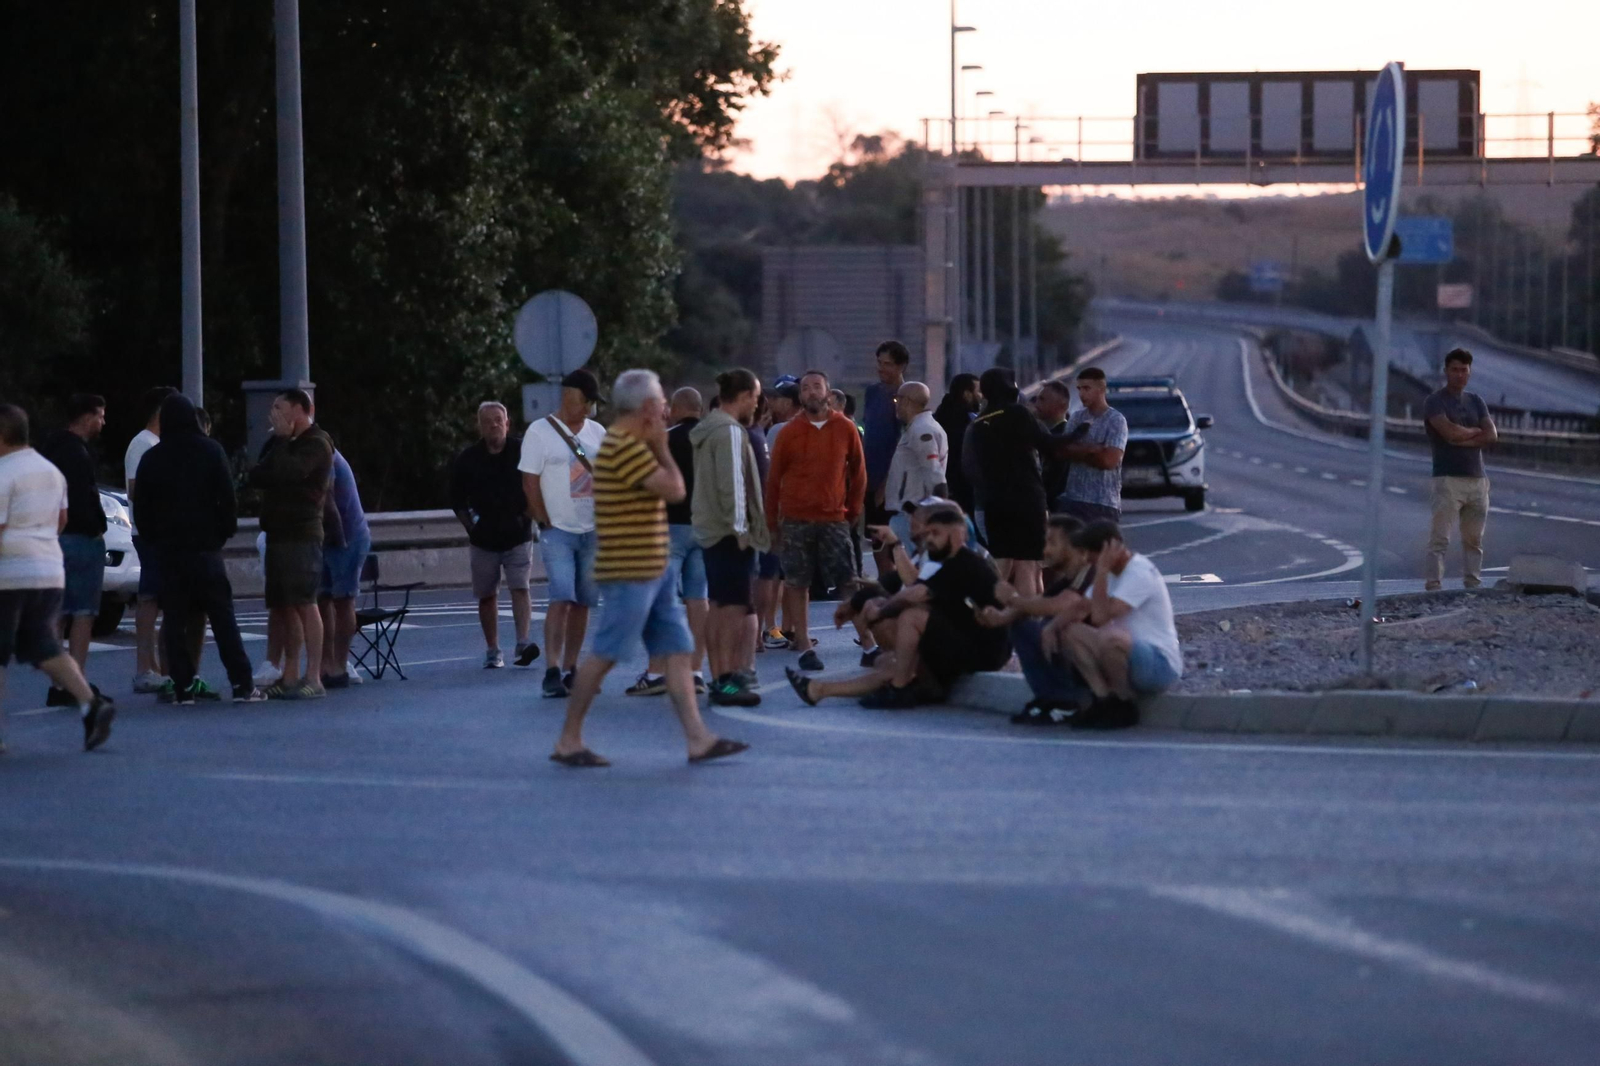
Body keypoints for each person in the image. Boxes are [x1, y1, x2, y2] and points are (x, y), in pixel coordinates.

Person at [548, 370, 749, 768]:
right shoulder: (625, 447)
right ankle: (568, 739)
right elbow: (675, 489)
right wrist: (662, 446)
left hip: (653, 569)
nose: (665, 408)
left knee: (677, 651)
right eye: (660, 401)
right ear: (646, 408)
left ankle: (697, 739)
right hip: (631, 570)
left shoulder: (625, 442)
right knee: (604, 655)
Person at [785, 507, 1009, 709]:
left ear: (958, 535)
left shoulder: (965, 562)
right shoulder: (944, 561)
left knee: (911, 617)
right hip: (962, 638)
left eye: (936, 534)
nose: (929, 539)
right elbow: (896, 582)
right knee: (887, 659)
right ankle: (819, 690)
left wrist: (882, 610)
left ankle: (899, 689)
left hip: (984, 650)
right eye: (928, 533)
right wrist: (856, 603)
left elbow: (917, 592)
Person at [133, 394, 264, 705]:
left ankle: (182, 685)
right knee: (222, 618)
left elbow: (142, 508)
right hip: (206, 550)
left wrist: (155, 540)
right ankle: (242, 683)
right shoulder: (210, 450)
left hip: (169, 552)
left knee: (175, 621)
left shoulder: (152, 458)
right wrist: (222, 533)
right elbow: (227, 498)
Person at [0, 404, 117, 753]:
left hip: (10, 573)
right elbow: (62, 520)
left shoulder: (4, 473)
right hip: (49, 570)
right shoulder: (50, 471)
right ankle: (90, 703)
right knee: (43, 646)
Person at [765, 369, 867, 672]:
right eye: (806, 388)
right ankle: (804, 645)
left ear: (828, 392)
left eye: (816, 386)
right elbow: (774, 481)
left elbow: (858, 474)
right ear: (800, 396)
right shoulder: (789, 432)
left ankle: (868, 642)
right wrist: (773, 524)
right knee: (797, 582)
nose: (811, 391)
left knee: (848, 581)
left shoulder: (845, 428)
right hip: (795, 519)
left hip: (834, 517)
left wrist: (852, 511)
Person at [521, 369, 606, 698]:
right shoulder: (539, 433)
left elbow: (601, 473)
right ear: (572, 398)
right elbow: (529, 482)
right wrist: (543, 521)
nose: (590, 409)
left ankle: (572, 667)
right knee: (561, 596)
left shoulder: (597, 433)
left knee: (584, 601)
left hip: (592, 530)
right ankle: (552, 669)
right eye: (587, 401)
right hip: (558, 531)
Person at [247, 389, 334, 700]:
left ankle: (314, 676)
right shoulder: (283, 444)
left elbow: (290, 473)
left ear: (299, 410)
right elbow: (258, 475)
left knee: (304, 602)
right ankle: (290, 672)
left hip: (302, 534)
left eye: (279, 406)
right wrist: (280, 443)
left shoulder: (316, 443)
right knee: (284, 605)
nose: (273, 413)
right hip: (278, 534)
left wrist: (283, 442)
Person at [691, 369, 767, 707]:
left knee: (720, 607)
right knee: (734, 610)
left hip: (710, 531)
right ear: (744, 395)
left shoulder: (708, 428)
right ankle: (727, 683)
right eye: (755, 396)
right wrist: (742, 532)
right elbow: (732, 487)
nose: (757, 403)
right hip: (729, 533)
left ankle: (721, 679)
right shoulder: (731, 432)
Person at [975, 514, 1096, 725]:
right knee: (1023, 627)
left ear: (1074, 547)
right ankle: (1049, 697)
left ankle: (1066, 701)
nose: (1046, 550)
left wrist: (1013, 598)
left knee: (1055, 629)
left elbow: (1060, 605)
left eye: (1052, 543)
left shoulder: (1089, 573)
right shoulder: (1068, 578)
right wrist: (999, 617)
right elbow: (1037, 602)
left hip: (1106, 658)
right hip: (1087, 656)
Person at [1061, 520, 1182, 730]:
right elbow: (1082, 607)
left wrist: (1100, 573)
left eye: (1093, 554)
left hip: (1158, 664)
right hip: (1129, 657)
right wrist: (1051, 628)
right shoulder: (1110, 573)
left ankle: (1124, 703)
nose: (1090, 561)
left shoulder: (1139, 572)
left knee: (1111, 636)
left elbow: (1100, 618)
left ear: (1111, 549)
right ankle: (1104, 700)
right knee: (1072, 632)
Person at [628, 388, 710, 697]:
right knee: (698, 599)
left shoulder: (666, 439)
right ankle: (696, 670)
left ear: (674, 409)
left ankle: (656, 672)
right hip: (704, 527)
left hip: (668, 528)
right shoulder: (709, 437)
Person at [451, 401, 539, 669]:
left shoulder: (522, 451)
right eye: (488, 420)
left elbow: (537, 483)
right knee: (487, 594)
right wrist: (471, 527)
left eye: (499, 420)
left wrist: (528, 516)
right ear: (479, 425)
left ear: (507, 423)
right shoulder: (468, 459)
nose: (494, 425)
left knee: (520, 587)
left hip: (518, 535)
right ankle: (493, 649)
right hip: (484, 539)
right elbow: (456, 497)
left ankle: (523, 642)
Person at [38, 393, 107, 706]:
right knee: (83, 612)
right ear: (87, 416)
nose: (103, 423)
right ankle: (76, 682)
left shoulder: (50, 447)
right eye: (100, 416)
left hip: (53, 539)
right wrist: (96, 527)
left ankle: (58, 683)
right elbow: (81, 500)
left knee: (59, 612)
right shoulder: (77, 454)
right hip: (80, 538)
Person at [963, 367, 1057, 598]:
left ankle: (984, 610)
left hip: (994, 501)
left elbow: (969, 466)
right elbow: (1049, 444)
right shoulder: (1018, 414)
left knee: (1001, 562)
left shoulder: (979, 423)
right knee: (1029, 564)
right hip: (1027, 499)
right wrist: (1079, 435)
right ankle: (1030, 620)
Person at [1422, 348, 1498, 591]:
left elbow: (1492, 435)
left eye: (1463, 370)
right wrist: (1474, 432)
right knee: (1440, 537)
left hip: (1477, 479)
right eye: (1454, 370)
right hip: (1447, 478)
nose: (1459, 375)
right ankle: (1434, 584)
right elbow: (1448, 433)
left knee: (1474, 539)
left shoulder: (1476, 401)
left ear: (1469, 372)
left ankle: (1473, 583)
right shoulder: (1435, 401)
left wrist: (1464, 436)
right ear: (1446, 371)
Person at [126, 385, 177, 693]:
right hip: (148, 532)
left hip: (159, 531)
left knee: (158, 597)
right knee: (149, 597)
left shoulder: (156, 443)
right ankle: (144, 666)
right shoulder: (142, 444)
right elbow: (134, 487)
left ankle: (156, 665)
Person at [318, 448, 370, 688]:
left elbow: (327, 500)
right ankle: (324, 665)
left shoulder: (320, 449)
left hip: (346, 534)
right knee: (321, 598)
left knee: (343, 599)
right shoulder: (298, 450)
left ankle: (340, 665)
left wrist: (338, 539)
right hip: (324, 536)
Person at [758, 378, 800, 651]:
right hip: (800, 509)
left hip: (779, 508)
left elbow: (771, 474)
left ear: (788, 402)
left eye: (777, 399)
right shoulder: (810, 428)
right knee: (791, 573)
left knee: (773, 572)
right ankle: (789, 628)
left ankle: (769, 627)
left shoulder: (779, 430)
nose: (772, 403)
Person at [1057, 367, 1128, 523]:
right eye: (1079, 389)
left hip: (1103, 503)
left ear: (1101, 389)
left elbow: (1109, 460)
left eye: (1087, 388)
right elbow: (1062, 451)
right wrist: (1093, 449)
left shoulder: (1116, 420)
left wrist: (1078, 451)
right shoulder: (1076, 418)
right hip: (1073, 500)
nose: (1082, 394)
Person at [883, 382, 948, 550]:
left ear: (907, 401)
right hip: (911, 511)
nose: (896, 405)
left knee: (914, 568)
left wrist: (934, 511)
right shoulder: (917, 428)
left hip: (912, 513)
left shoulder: (922, 430)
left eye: (897, 400)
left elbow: (933, 472)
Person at [863, 341, 910, 575]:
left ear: (901, 366)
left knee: (893, 544)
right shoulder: (872, 392)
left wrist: (885, 484)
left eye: (888, 364)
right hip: (868, 478)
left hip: (891, 484)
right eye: (879, 363)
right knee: (876, 542)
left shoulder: (905, 397)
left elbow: (901, 444)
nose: (882, 369)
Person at [934, 373, 981, 515]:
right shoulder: (967, 424)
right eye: (978, 391)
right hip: (962, 493)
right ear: (967, 394)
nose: (981, 396)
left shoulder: (939, 416)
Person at [1033, 380, 1074, 508]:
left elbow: (1054, 480)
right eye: (1038, 399)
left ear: (1062, 406)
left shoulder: (1063, 437)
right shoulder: (1045, 433)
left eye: (1043, 400)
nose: (1037, 404)